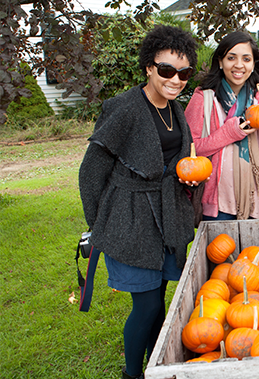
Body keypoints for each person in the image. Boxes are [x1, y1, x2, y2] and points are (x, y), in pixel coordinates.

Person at [78, 25, 199, 379]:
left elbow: (174, 160)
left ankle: (155, 367)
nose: (176, 79)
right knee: (145, 306)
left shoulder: (176, 109)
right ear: (149, 67)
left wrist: (185, 175)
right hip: (129, 220)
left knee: (159, 301)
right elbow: (91, 171)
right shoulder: (124, 107)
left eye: (184, 72)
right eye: (167, 70)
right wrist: (99, 224)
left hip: (165, 216)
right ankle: (133, 374)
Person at [184, 32, 259, 221]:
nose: (239, 65)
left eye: (246, 59)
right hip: (218, 204)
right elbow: (190, 150)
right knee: (219, 250)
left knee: (254, 252)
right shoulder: (204, 99)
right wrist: (230, 132)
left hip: (255, 200)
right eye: (231, 58)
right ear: (221, 62)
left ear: (253, 64)